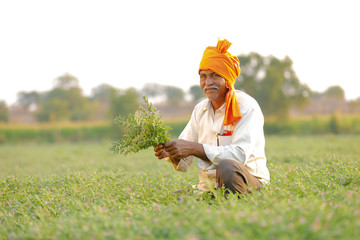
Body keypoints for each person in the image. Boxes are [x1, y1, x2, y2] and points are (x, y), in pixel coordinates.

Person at [154, 39, 270, 194]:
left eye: (215, 75)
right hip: (209, 187)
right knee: (176, 199)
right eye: (203, 76)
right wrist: (173, 153)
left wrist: (195, 148)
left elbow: (239, 156)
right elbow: (185, 159)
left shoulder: (247, 106)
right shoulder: (200, 109)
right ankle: (211, 197)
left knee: (228, 167)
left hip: (248, 183)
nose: (208, 82)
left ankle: (232, 206)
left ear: (227, 79)